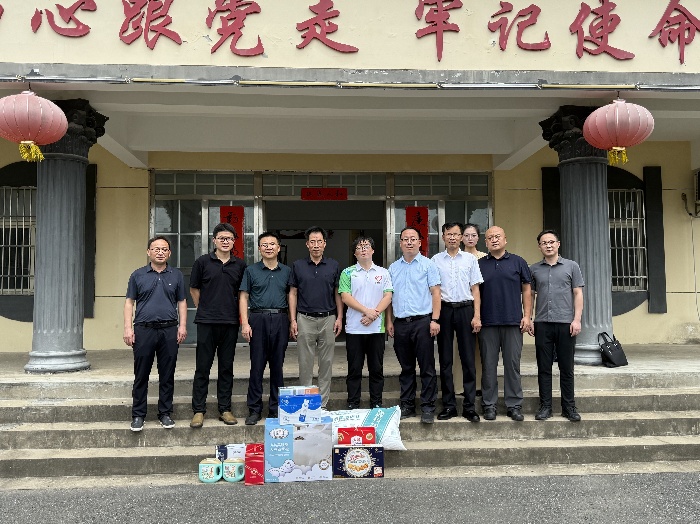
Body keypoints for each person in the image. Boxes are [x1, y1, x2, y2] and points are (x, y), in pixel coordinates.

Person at [124, 236, 187, 432]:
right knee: (141, 374)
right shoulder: (137, 275)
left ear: (169, 253)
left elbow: (182, 302)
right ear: (148, 252)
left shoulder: (176, 275)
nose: (160, 252)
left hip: (169, 329)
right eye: (156, 249)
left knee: (167, 373)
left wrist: (182, 326)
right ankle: (138, 415)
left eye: (164, 249)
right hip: (144, 329)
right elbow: (129, 302)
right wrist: (128, 328)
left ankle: (165, 413)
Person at [189, 223, 247, 428]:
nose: (225, 241)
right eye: (221, 238)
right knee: (202, 367)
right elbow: (194, 288)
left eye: (229, 238)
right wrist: (204, 307)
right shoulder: (202, 262)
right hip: (206, 322)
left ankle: (225, 409)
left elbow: (242, 293)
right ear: (214, 240)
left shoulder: (240, 265)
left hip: (230, 322)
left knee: (226, 368)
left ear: (234, 241)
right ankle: (198, 410)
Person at [387, 227, 441, 424]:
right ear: (400, 243)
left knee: (427, 367)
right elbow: (388, 297)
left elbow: (436, 293)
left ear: (420, 242)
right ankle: (407, 405)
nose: (409, 242)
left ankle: (427, 406)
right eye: (405, 239)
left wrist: (435, 320)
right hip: (401, 323)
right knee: (406, 367)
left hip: (423, 322)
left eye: (413, 239)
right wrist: (389, 321)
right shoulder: (393, 268)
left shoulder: (428, 265)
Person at [528, 229, 584, 422]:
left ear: (558, 244)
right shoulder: (534, 269)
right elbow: (530, 295)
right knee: (544, 368)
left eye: (551, 242)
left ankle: (569, 407)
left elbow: (578, 293)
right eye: (544, 243)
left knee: (566, 368)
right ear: (539, 247)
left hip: (566, 324)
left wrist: (577, 320)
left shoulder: (571, 266)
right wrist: (529, 318)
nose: (548, 245)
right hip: (542, 323)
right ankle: (546, 407)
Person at [478, 226, 532, 422]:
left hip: (513, 322)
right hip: (487, 323)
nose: (494, 240)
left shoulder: (518, 262)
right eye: (490, 237)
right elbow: (474, 292)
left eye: (497, 236)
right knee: (488, 366)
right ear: (485, 242)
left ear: (505, 239)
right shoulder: (479, 264)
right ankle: (489, 405)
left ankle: (514, 405)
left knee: (512, 365)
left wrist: (527, 316)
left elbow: (527, 290)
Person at [240, 231, 292, 425]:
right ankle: (254, 409)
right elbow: (243, 297)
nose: (268, 247)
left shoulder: (287, 271)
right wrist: (245, 323)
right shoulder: (251, 270)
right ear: (259, 248)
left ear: (278, 248)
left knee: (277, 366)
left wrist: (292, 321)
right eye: (264, 244)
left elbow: (291, 296)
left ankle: (275, 409)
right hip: (257, 319)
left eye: (272, 244)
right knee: (257, 365)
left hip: (280, 318)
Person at [432, 222, 483, 423]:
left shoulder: (470, 260)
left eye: (456, 234)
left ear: (461, 237)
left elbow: (476, 290)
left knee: (468, 359)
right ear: (443, 237)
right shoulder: (435, 260)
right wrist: (435, 318)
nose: (452, 237)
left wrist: (476, 316)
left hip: (465, 309)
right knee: (445, 360)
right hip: (444, 310)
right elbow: (434, 291)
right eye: (449, 234)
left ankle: (469, 407)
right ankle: (449, 406)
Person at [289, 226, 343, 408]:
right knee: (305, 363)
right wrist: (293, 320)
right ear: (307, 244)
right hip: (305, 318)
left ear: (325, 244)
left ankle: (322, 403)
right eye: (312, 242)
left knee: (326, 363)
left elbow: (338, 293)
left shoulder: (333, 265)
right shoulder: (298, 265)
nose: (316, 245)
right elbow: (293, 293)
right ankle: (306, 403)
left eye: (319, 241)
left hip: (328, 318)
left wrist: (339, 317)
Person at [339, 236, 393, 409]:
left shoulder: (383, 273)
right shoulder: (347, 273)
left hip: (376, 328)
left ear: (373, 250)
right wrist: (367, 311)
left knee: (376, 368)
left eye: (366, 246)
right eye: (359, 247)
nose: (363, 249)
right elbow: (345, 297)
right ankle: (353, 402)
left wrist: (374, 314)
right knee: (354, 369)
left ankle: (376, 402)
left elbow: (388, 296)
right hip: (355, 329)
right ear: (355, 253)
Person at [458, 223, 488, 398]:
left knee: (479, 348)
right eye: (466, 235)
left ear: (478, 238)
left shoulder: (485, 258)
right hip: (463, 307)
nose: (470, 238)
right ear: (461, 238)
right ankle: (459, 385)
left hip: (483, 306)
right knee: (460, 348)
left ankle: (478, 385)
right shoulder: (457, 257)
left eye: (473, 235)